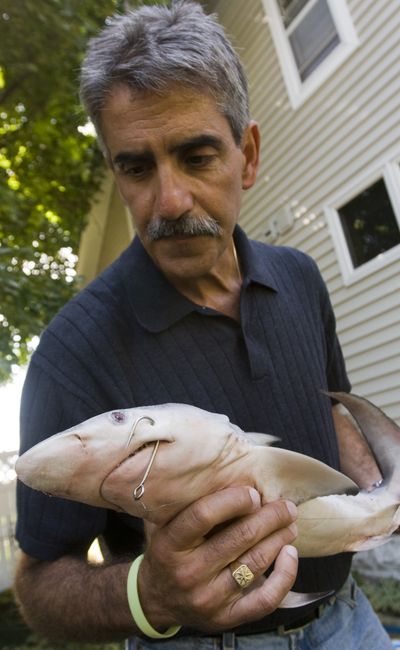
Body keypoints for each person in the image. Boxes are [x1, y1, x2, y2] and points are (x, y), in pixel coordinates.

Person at [14, 2, 392, 649]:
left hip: (350, 622)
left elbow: (329, 408)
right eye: (136, 167)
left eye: (196, 156)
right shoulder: (73, 353)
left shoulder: (299, 276)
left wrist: (381, 495)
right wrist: (149, 593)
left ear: (246, 154)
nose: (169, 202)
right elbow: (40, 586)